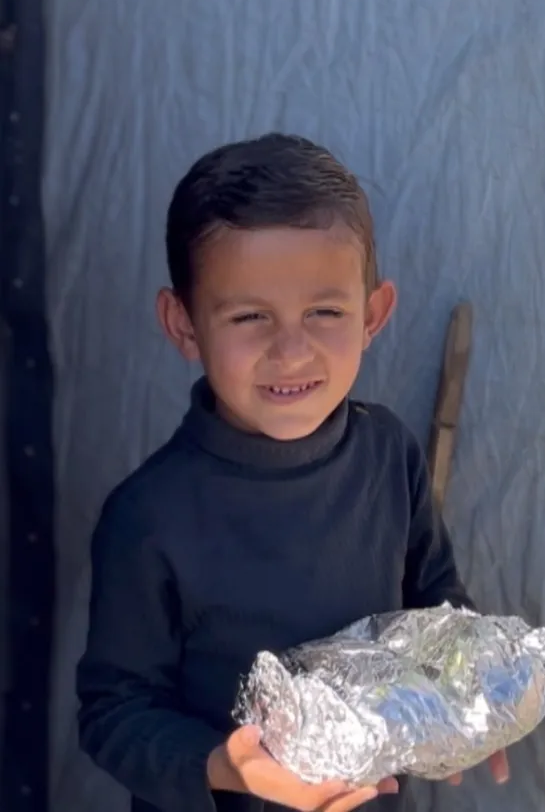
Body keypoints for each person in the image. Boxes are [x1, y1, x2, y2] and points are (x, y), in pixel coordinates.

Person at [76, 134, 509, 812]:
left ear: (372, 316)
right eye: (250, 316)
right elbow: (113, 713)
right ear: (184, 325)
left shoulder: (387, 454)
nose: (291, 350)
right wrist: (225, 765)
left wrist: (474, 679)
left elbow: (434, 594)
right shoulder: (150, 515)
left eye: (324, 312)